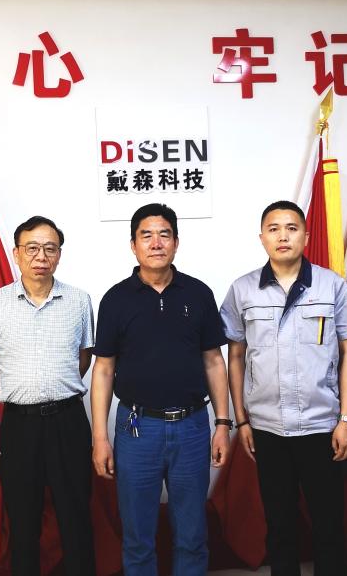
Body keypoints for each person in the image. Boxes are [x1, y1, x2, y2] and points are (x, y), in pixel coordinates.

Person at [219, 200, 347, 576]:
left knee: (329, 526)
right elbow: (234, 356)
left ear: (306, 236)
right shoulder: (243, 290)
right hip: (268, 428)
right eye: (274, 229)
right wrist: (242, 420)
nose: (283, 236)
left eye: (291, 228)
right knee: (279, 525)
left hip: (322, 426)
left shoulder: (331, 285)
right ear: (262, 238)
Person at [90, 202, 231, 576]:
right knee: (138, 536)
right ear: (133, 245)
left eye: (164, 235)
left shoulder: (197, 293)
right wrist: (100, 438)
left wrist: (222, 423)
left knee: (192, 533)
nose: (156, 243)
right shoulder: (116, 299)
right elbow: (103, 370)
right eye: (146, 235)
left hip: (192, 427)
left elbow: (214, 361)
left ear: (176, 242)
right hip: (137, 428)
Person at [0, 216, 96, 576]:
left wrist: (56, 388)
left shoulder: (79, 300)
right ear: (16, 253)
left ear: (59, 254)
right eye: (31, 248)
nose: (40, 256)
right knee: (22, 517)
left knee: (75, 514)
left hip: (68, 421)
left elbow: (84, 357)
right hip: (19, 424)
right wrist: (18, 394)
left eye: (49, 248)